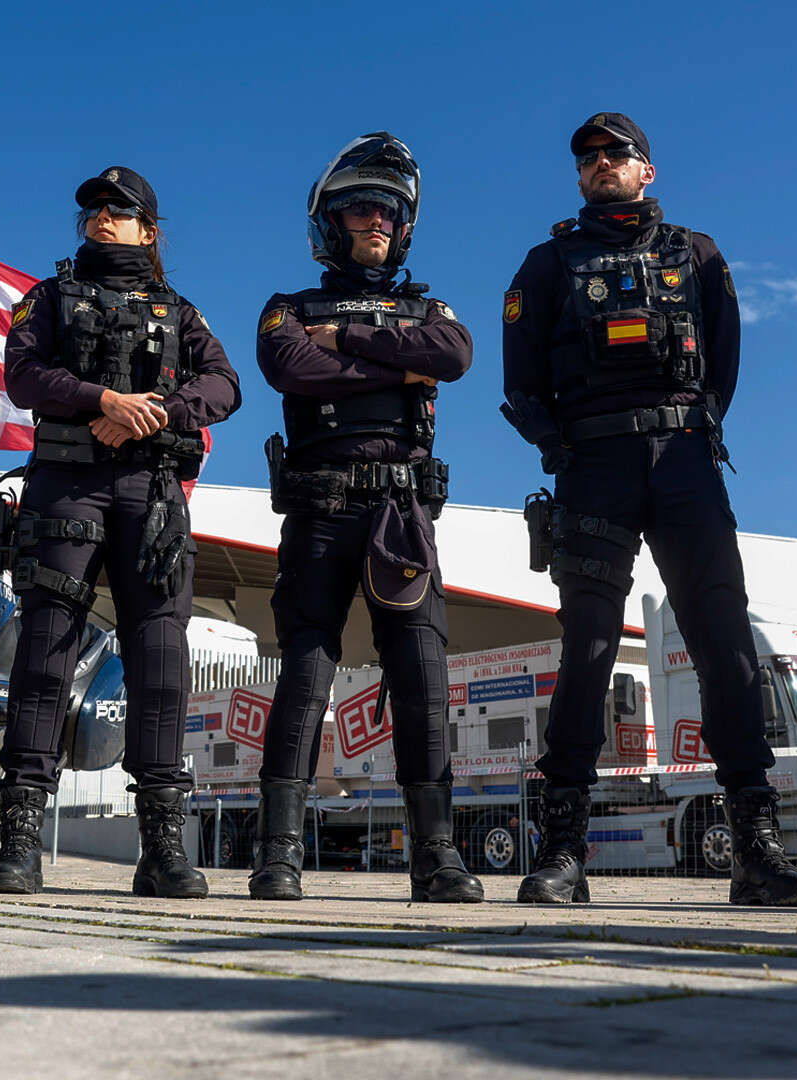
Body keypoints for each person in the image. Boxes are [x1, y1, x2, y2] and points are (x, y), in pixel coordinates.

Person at [500, 112, 797, 906]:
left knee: (725, 646)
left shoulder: (698, 252)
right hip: (592, 469)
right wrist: (567, 449)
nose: (602, 163)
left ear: (649, 170)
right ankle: (563, 854)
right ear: (579, 177)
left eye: (618, 154)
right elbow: (520, 382)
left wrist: (685, 427)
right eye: (588, 158)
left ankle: (756, 855)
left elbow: (725, 363)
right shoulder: (546, 263)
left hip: (685, 464)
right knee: (588, 650)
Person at [0, 166, 241, 898]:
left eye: (119, 208)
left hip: (151, 494)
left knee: (160, 668)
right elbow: (23, 376)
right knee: (42, 659)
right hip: (66, 486)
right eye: (94, 207)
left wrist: (152, 409)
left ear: (148, 230)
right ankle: (20, 844)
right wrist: (101, 397)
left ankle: (162, 851)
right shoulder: (48, 298)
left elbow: (225, 385)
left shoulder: (179, 311)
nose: (102, 215)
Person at [251, 132, 483, 904]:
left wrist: (348, 339)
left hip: (402, 512)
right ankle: (277, 856)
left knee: (422, 677)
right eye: (359, 209)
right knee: (307, 675)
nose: (376, 221)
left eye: (387, 210)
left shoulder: (431, 309)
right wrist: (396, 360)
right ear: (330, 222)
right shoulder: (288, 309)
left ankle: (438, 858)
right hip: (320, 509)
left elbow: (454, 353)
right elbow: (290, 366)